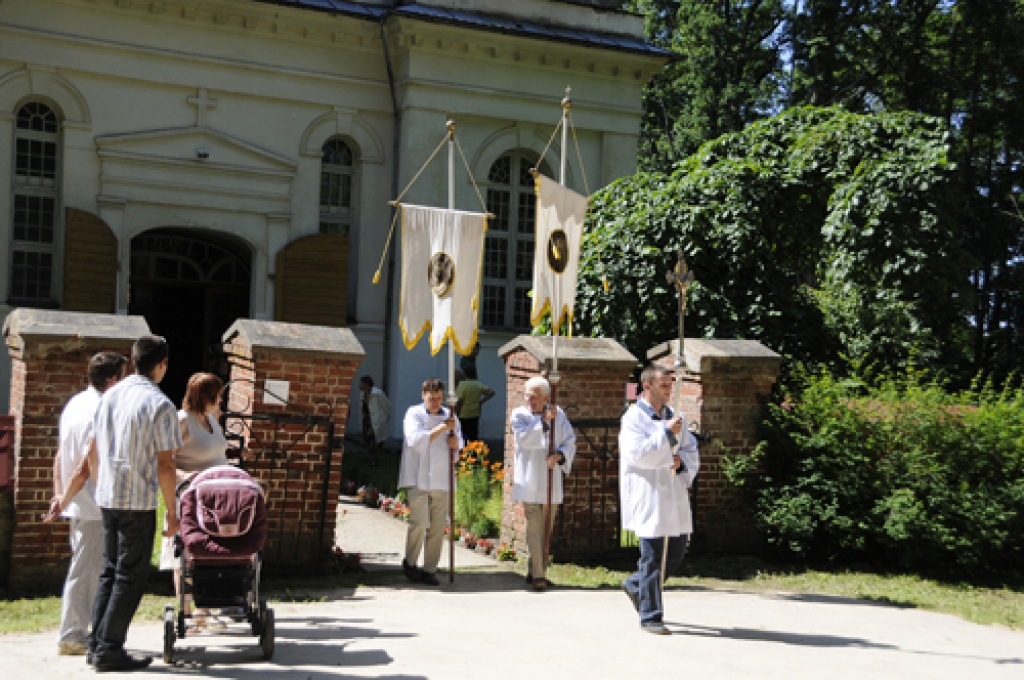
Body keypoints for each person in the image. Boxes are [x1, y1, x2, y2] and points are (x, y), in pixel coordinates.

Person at [90, 335, 183, 671]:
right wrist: (172, 513)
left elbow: (97, 445)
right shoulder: (161, 405)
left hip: (108, 494)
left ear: (132, 359)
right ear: (162, 364)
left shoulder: (109, 394)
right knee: (129, 576)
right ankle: (109, 649)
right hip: (137, 500)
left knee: (109, 571)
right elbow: (166, 464)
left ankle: (96, 642)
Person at [45, 352, 127, 656]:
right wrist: (63, 497)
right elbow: (85, 465)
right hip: (92, 503)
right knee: (86, 570)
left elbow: (60, 454)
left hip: (80, 502)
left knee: (90, 569)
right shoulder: (102, 409)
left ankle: (89, 630)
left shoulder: (75, 403)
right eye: (124, 374)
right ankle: (72, 634)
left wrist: (59, 494)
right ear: (112, 379)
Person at [619, 364, 700, 635]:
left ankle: (635, 585)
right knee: (652, 555)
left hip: (673, 492)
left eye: (670, 384)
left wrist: (680, 463)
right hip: (649, 492)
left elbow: (690, 450)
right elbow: (637, 454)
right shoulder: (633, 418)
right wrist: (666, 435)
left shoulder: (676, 416)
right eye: (664, 384)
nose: (669, 389)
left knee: (676, 551)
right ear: (647, 386)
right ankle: (651, 616)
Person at [158, 372, 228, 625]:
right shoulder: (182, 421)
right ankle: (186, 609)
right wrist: (188, 475)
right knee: (185, 552)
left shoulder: (211, 419)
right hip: (191, 495)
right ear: (204, 396)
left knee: (210, 551)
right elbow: (165, 462)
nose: (220, 400)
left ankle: (206, 606)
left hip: (217, 498)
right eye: (216, 396)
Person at [509, 376, 575, 591]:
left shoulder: (560, 415)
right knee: (534, 530)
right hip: (530, 480)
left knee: (546, 531)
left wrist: (560, 456)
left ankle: (534, 568)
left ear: (547, 397)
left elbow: (569, 441)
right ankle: (539, 576)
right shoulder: (519, 415)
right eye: (527, 395)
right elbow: (524, 440)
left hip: (551, 481)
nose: (530, 400)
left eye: (535, 397)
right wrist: (543, 421)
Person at [397, 378, 463, 586]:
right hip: (417, 476)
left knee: (437, 527)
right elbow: (415, 440)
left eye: (438, 398)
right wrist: (442, 429)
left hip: (442, 477)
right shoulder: (413, 414)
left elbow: (458, 442)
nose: (435, 402)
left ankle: (429, 569)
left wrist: (456, 443)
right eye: (431, 398)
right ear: (423, 396)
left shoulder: (451, 417)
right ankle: (410, 561)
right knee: (420, 522)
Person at [454, 365, 495, 442]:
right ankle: (474, 451)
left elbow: (459, 401)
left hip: (463, 414)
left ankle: (464, 451)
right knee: (473, 436)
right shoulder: (478, 384)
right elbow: (491, 393)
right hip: (475, 413)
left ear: (465, 374)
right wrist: (481, 402)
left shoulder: (462, 385)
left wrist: (456, 412)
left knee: (462, 435)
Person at [359, 375, 392, 457]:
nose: (359, 385)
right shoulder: (363, 394)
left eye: (361, 383)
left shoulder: (377, 393)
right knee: (368, 439)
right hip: (367, 420)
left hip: (377, 419)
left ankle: (375, 458)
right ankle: (371, 457)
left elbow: (387, 405)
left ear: (367, 384)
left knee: (375, 439)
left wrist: (385, 417)